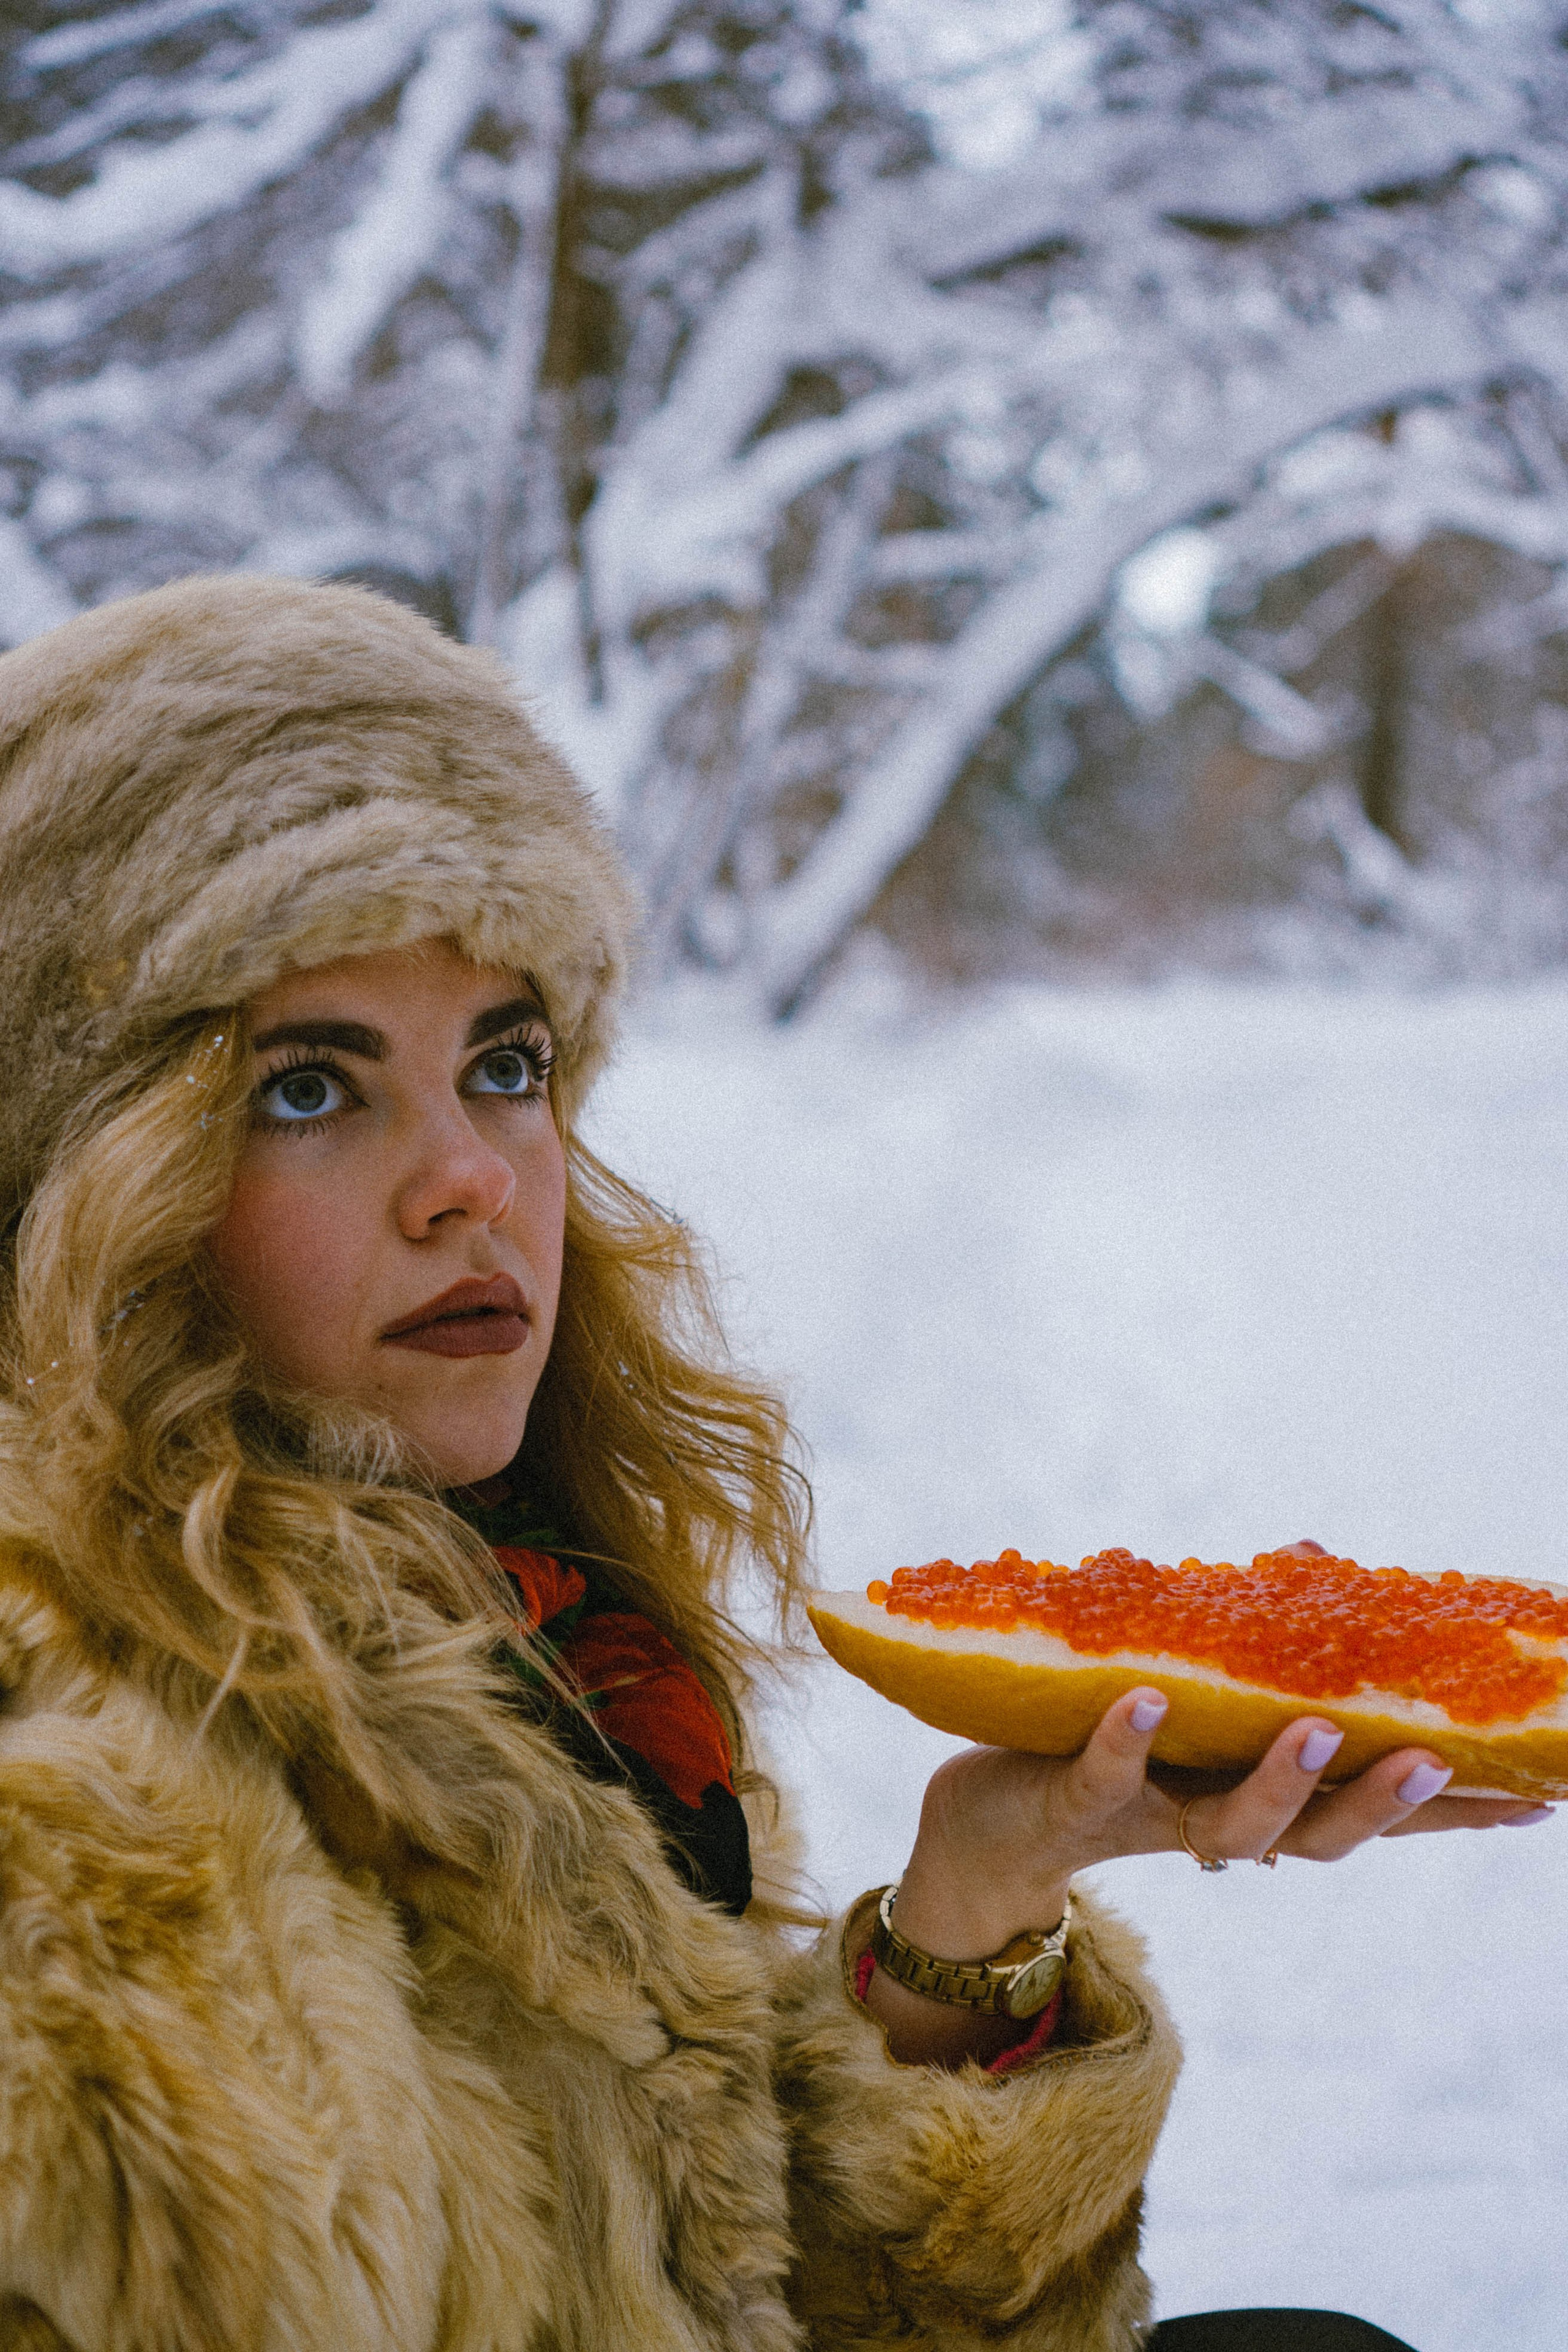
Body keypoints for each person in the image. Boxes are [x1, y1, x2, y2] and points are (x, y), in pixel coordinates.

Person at [0, 575, 1541, 2352]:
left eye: (506, 1063)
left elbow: (728, 2300)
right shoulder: (90, 1851)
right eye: (308, 1088)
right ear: (83, 1187)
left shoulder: (535, 1630)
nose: (474, 1179)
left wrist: (981, 1913)